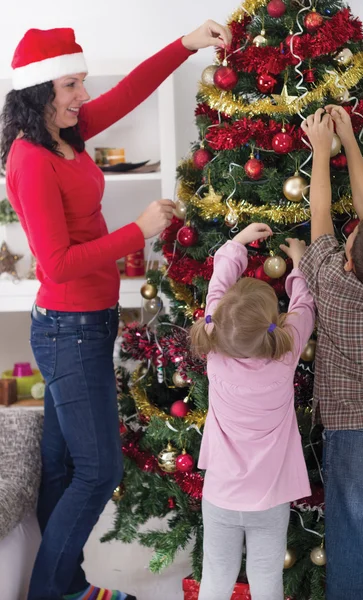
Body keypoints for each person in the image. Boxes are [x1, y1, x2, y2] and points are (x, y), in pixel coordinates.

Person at [0, 20, 231, 600]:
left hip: (85, 324)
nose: (83, 95)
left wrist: (186, 44)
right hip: (68, 329)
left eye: (80, 83)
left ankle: (65, 586)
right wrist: (139, 230)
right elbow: (55, 264)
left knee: (59, 466)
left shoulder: (65, 134)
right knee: (98, 470)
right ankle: (53, 592)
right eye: (72, 85)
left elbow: (130, 91)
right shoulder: (30, 158)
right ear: (40, 89)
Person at [298, 106, 363, 600]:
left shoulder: (332, 283)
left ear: (350, 256)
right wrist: (353, 142)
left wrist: (322, 150)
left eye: (353, 234)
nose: (351, 229)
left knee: (352, 540)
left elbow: (320, 215)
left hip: (351, 435)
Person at [190, 223, 315, 600]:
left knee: (215, 578)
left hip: (221, 496)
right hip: (269, 497)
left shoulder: (213, 343)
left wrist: (237, 244)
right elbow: (304, 306)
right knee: (266, 580)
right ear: (271, 323)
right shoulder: (287, 349)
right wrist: (298, 264)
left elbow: (216, 289)